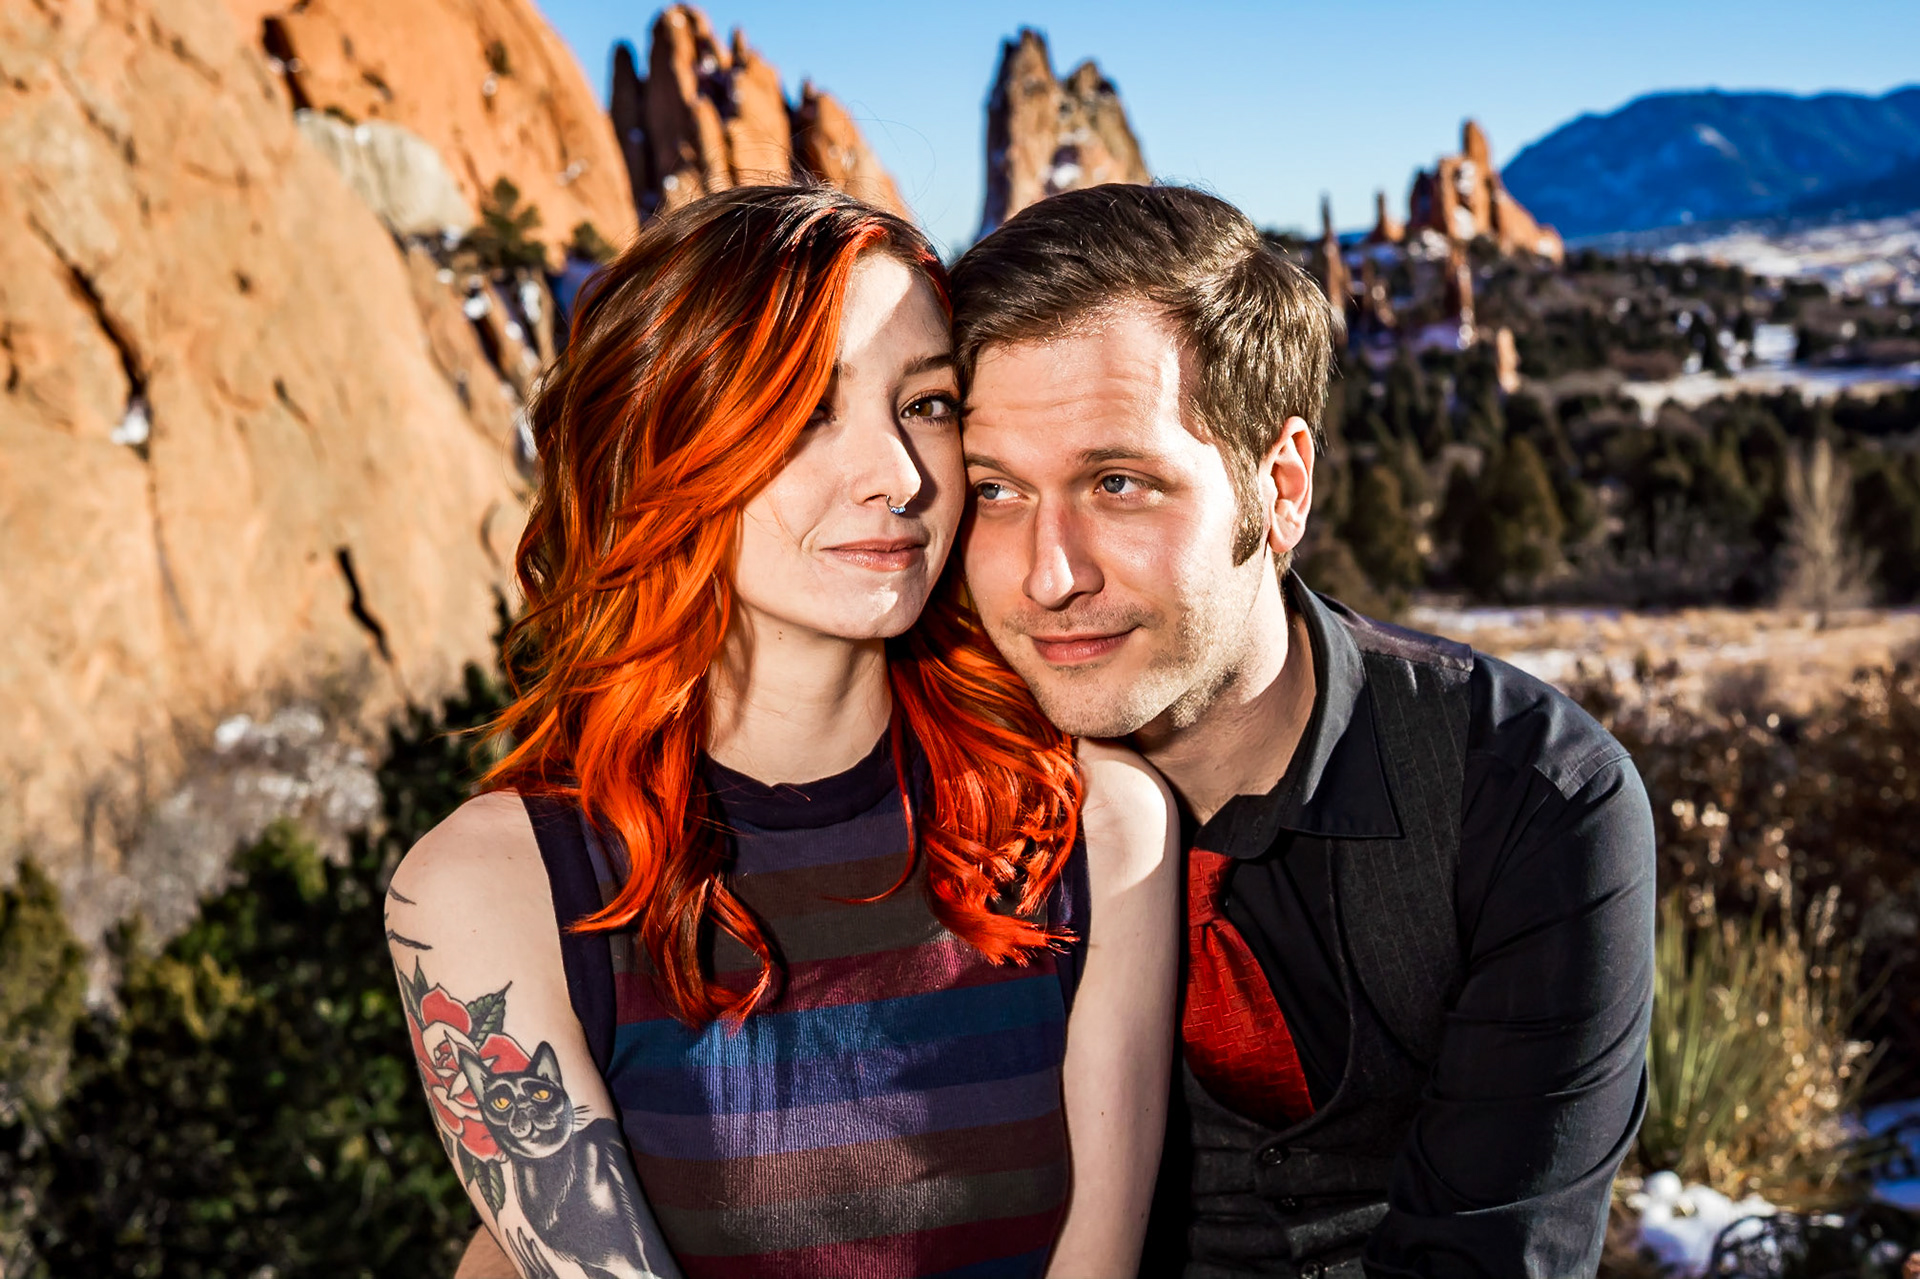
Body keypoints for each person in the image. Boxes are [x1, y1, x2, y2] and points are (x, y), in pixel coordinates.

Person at [385, 186, 1179, 1279]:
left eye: (928, 404)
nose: (899, 478)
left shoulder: (1095, 827)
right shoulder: (494, 887)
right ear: (666, 443)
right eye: (806, 409)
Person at [948, 183, 1657, 1279]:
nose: (1050, 576)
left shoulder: (1527, 802)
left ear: (1280, 489)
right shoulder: (919, 791)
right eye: (996, 491)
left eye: (1119, 483)